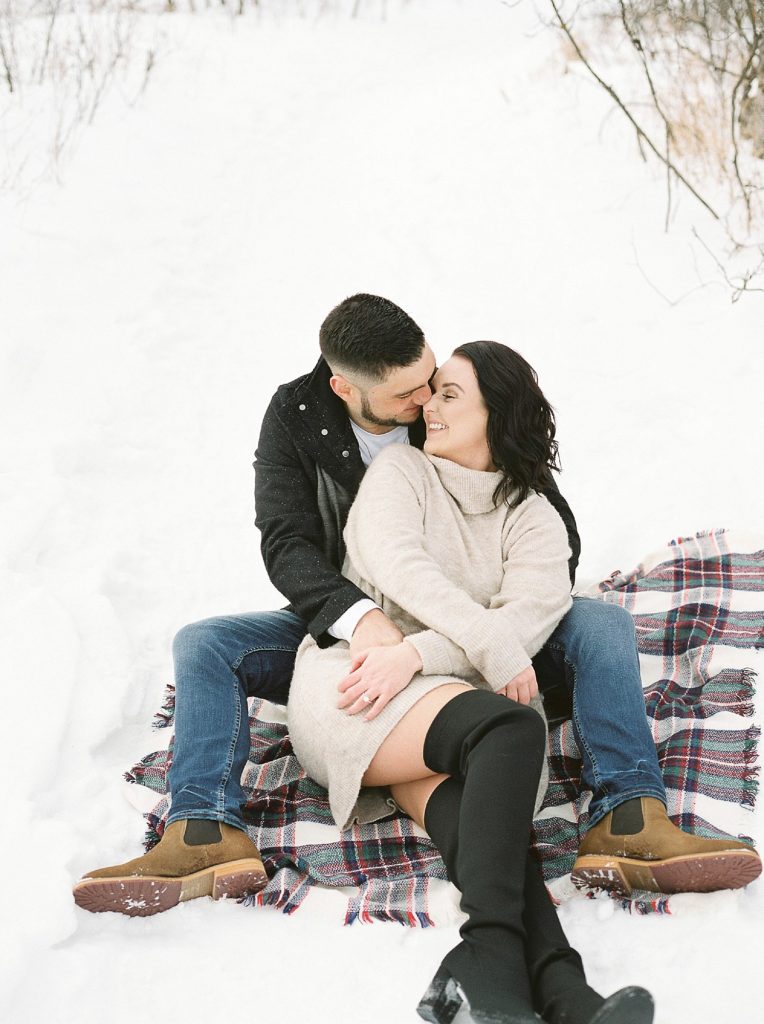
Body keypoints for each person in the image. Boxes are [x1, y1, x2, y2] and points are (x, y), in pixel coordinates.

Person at [72, 294, 760, 918]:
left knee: (598, 620)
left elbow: (536, 514)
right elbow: (287, 545)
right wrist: (362, 621)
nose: (427, 399)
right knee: (207, 643)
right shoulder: (297, 419)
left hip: (475, 616)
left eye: (433, 380)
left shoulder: (449, 406)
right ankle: (202, 831)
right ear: (346, 388)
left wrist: (470, 632)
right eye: (409, 393)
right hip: (355, 619)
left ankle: (629, 813)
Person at [287, 341, 654, 1024]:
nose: (428, 404)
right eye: (431, 392)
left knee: (488, 828)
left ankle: (554, 992)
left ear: (499, 412)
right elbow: (400, 570)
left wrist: (418, 655)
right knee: (510, 726)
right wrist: (470, 645)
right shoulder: (401, 471)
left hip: (431, 700)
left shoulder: (535, 518)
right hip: (356, 684)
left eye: (450, 393)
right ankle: (490, 958)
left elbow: (530, 620)